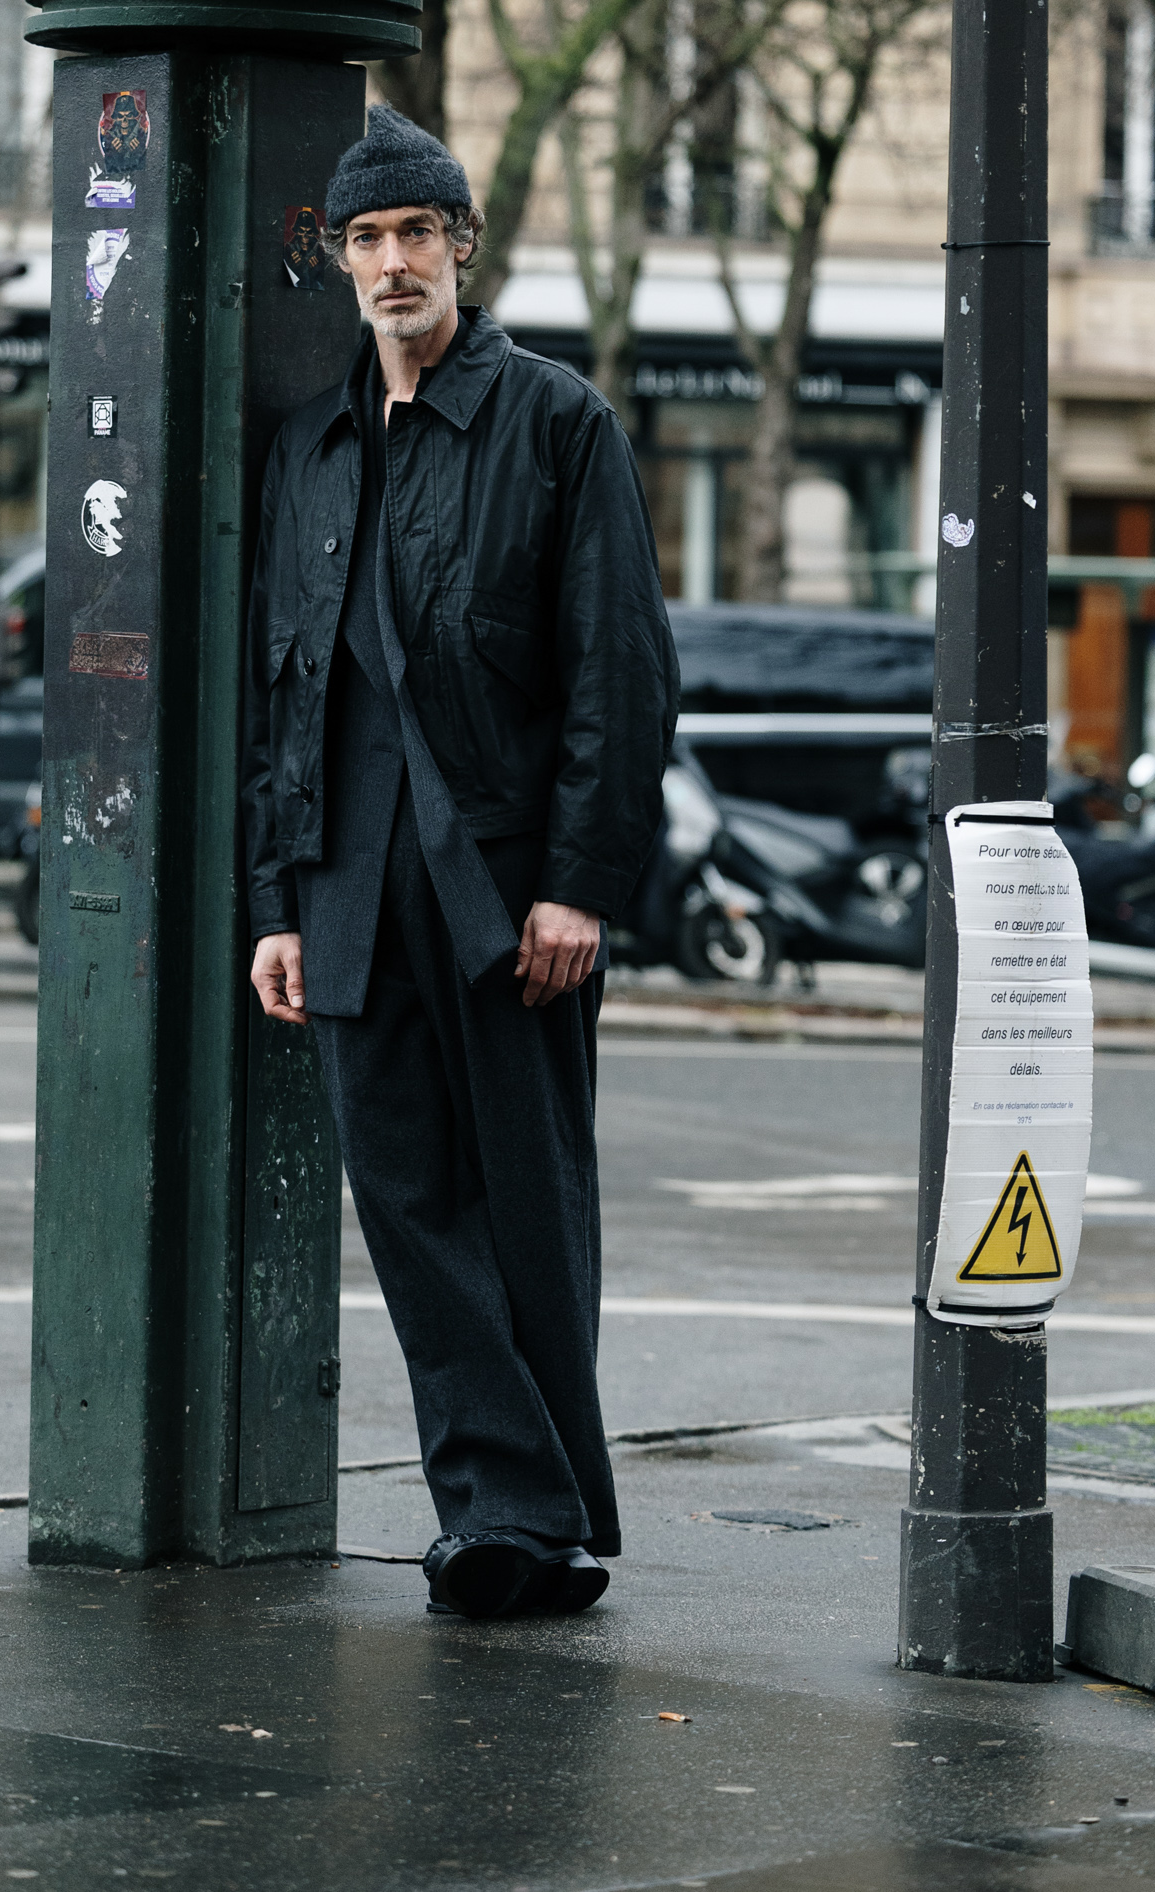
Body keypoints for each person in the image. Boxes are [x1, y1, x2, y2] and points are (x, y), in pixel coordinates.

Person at [241, 106, 677, 1620]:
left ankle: (544, 1516)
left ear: (462, 246)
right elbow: (285, 695)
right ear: (341, 262)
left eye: (415, 233)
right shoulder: (310, 449)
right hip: (350, 890)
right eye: (365, 240)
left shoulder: (557, 423)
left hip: (504, 885)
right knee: (410, 1208)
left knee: (528, 1201)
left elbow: (621, 671)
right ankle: (497, 1507)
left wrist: (582, 881)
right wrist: (277, 902)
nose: (390, 263)